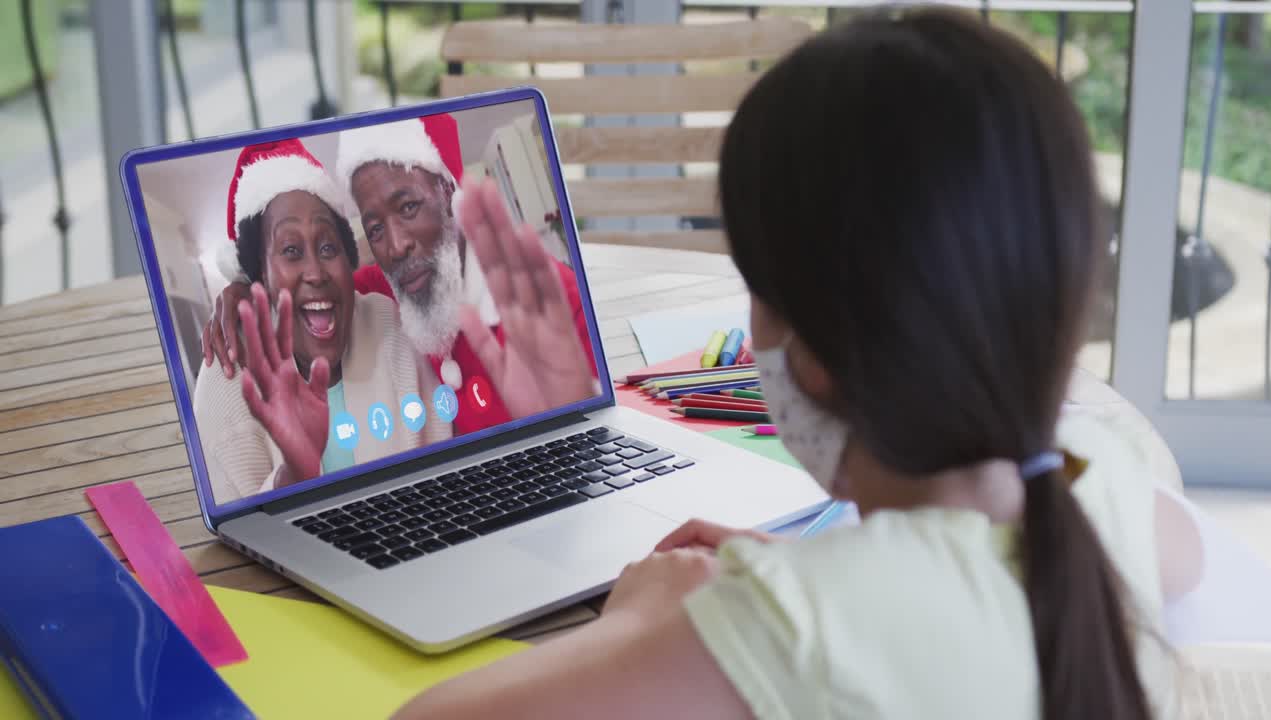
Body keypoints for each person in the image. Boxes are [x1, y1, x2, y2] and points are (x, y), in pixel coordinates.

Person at [391, 10, 1203, 719]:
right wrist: (829, 579)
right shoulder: (1107, 486)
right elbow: (1177, 555)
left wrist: (644, 623)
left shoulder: (797, 629)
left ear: (810, 356)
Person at [202, 113, 598, 436]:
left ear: (447, 191)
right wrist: (243, 284)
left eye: (408, 207)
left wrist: (573, 412)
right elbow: (311, 293)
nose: (395, 246)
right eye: (374, 227)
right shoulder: (383, 293)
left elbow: (600, 440)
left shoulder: (551, 298)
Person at [194, 139, 450, 504]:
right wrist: (294, 472)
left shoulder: (389, 324)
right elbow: (235, 541)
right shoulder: (225, 375)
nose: (315, 272)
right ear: (259, 278)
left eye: (329, 248)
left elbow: (442, 477)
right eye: (291, 251)